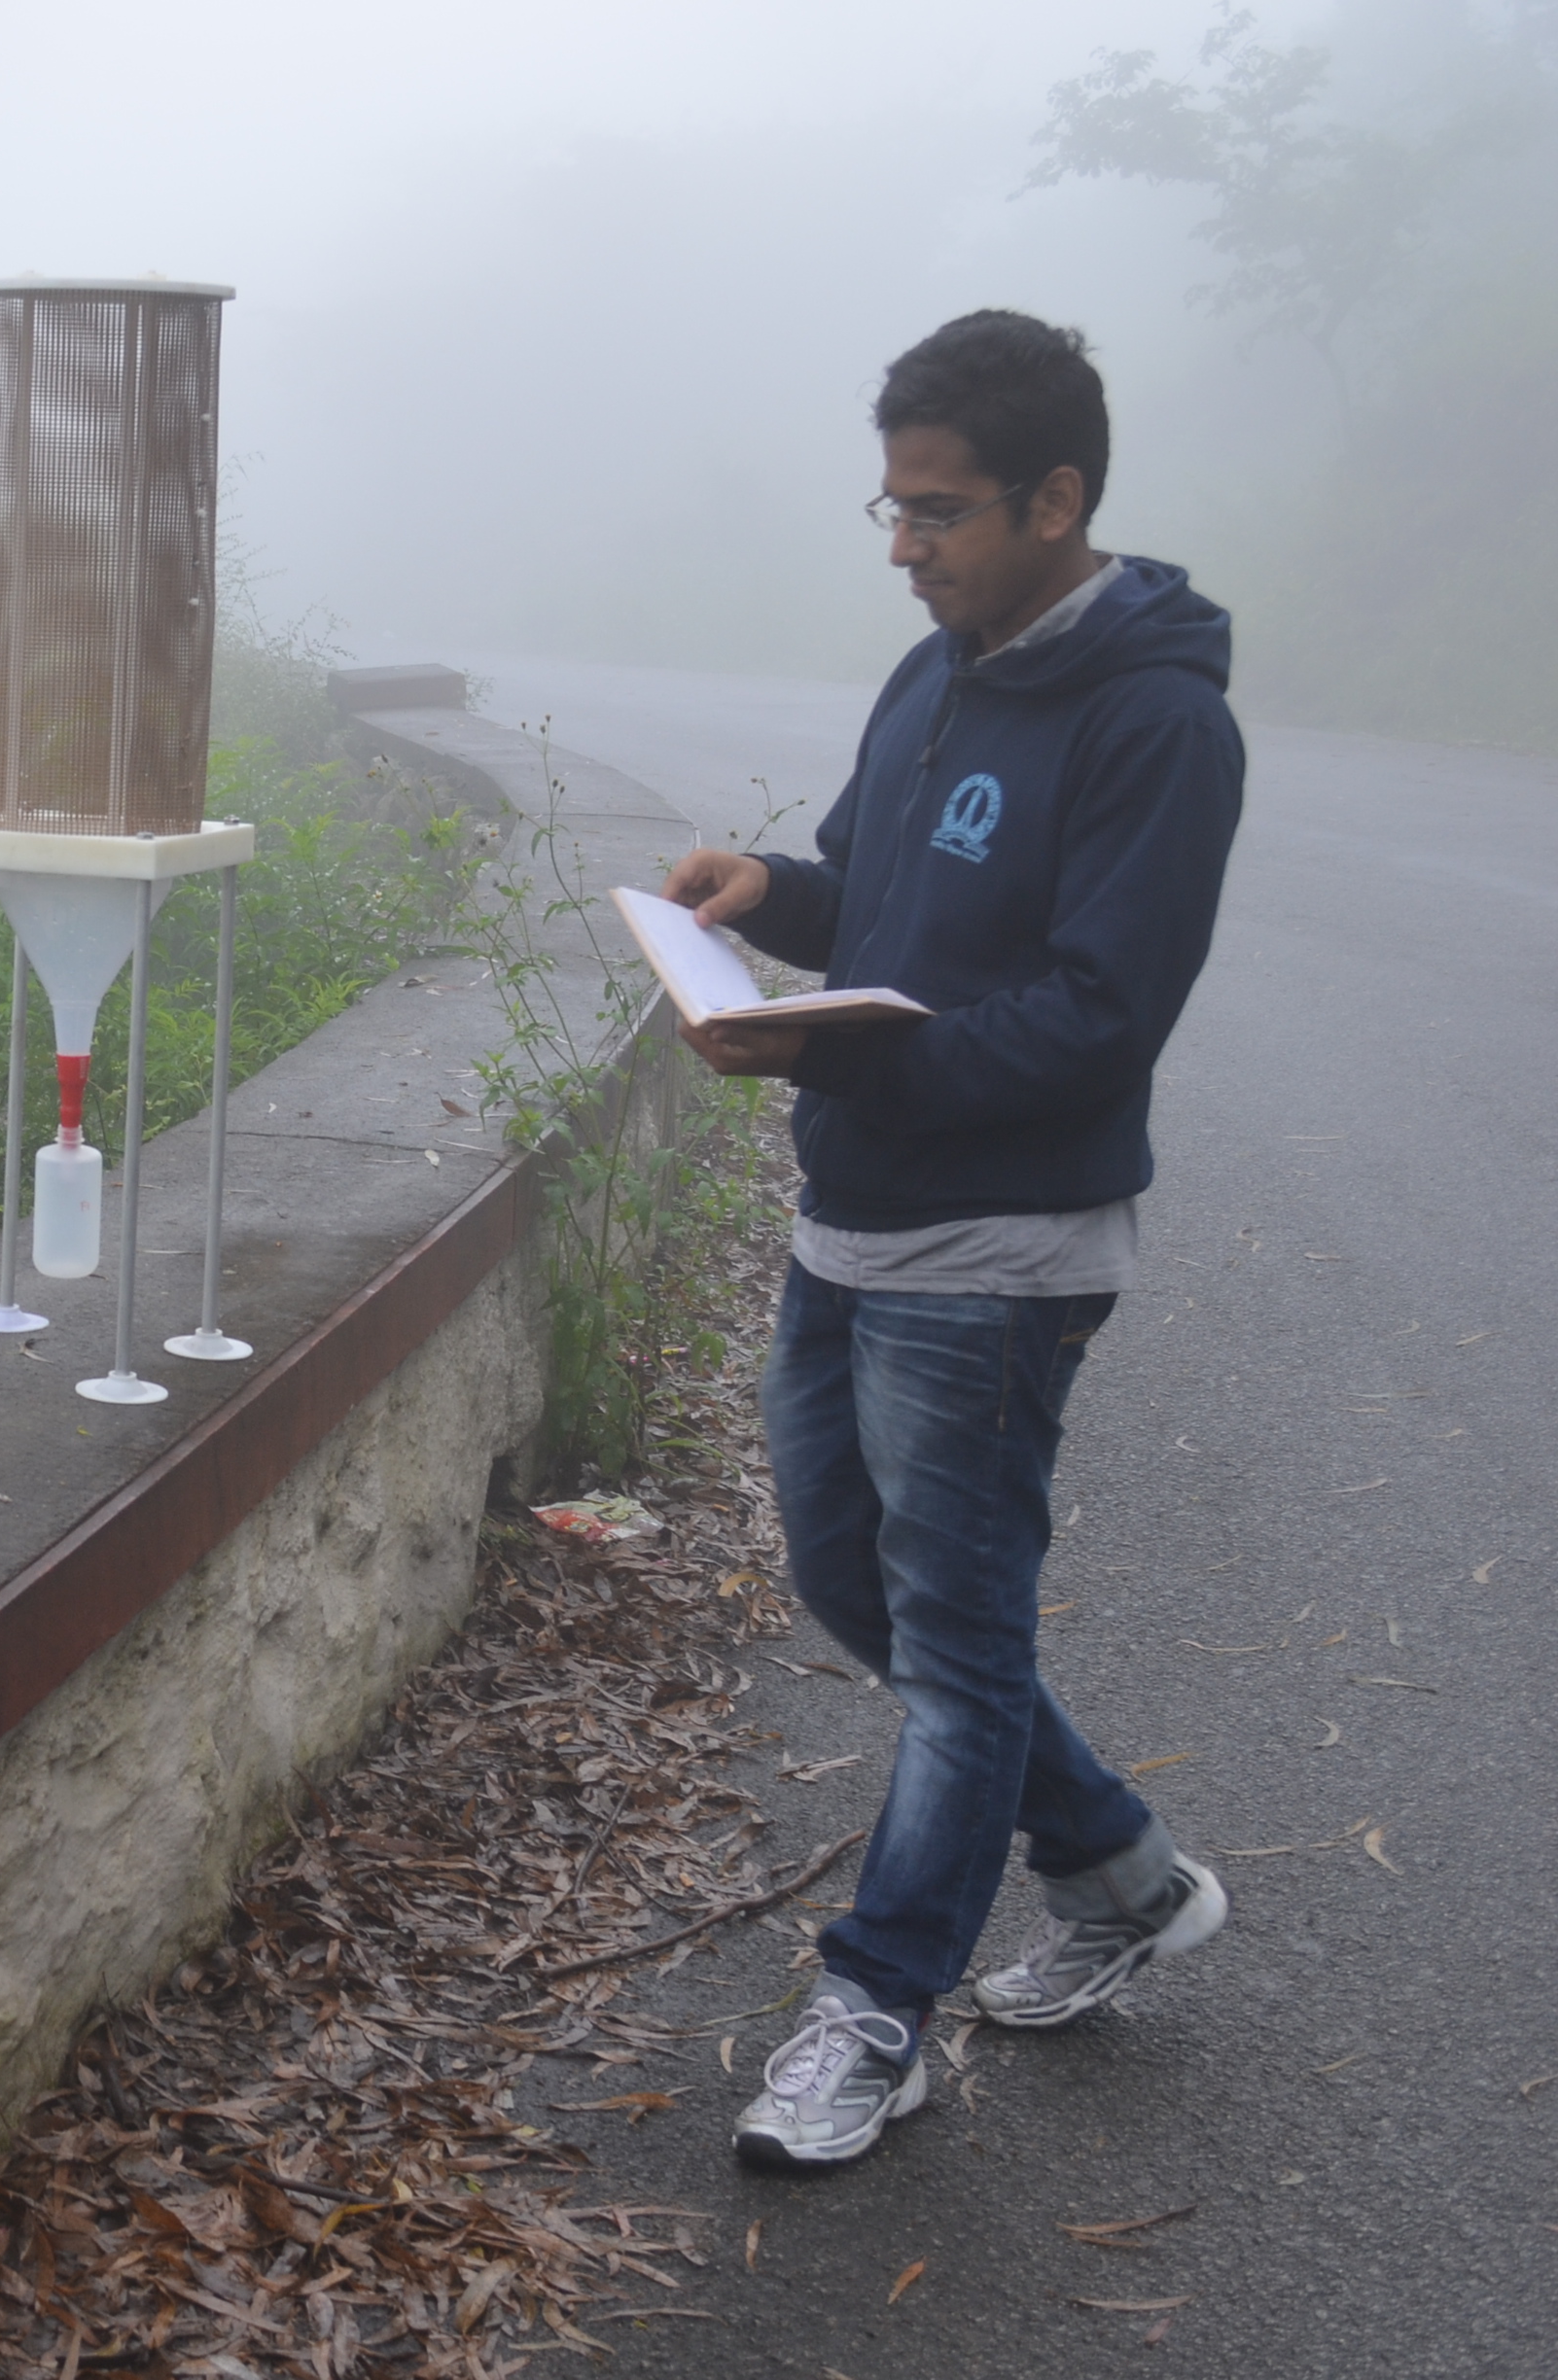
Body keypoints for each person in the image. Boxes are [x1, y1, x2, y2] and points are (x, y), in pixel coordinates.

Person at [659, 310, 1245, 2173]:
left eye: (941, 511)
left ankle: (875, 2012)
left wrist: (843, 1063)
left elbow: (1096, 1016)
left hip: (1002, 1261)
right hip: (855, 1223)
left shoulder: (1159, 721)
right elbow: (879, 905)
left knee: (965, 1646)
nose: (903, 546)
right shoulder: (933, 675)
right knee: (857, 1584)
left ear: (1058, 500)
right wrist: (776, 901)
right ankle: (1124, 1879)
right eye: (889, 508)